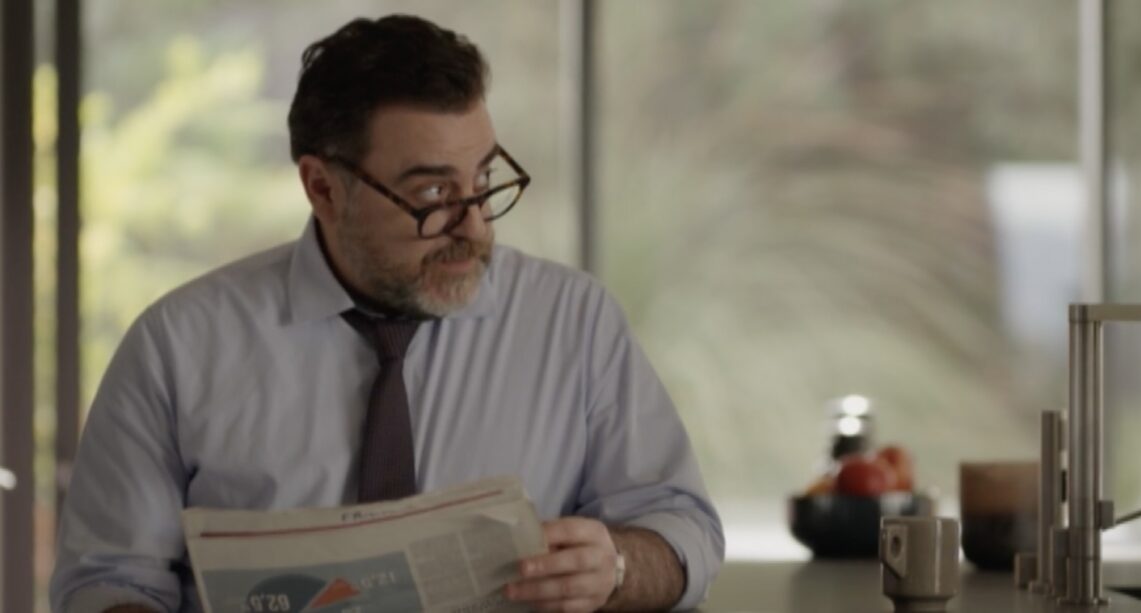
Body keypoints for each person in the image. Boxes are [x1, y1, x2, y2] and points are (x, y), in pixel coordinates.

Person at [50, 14, 723, 613]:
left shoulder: (574, 323)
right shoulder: (175, 347)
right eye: (432, 194)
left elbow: (683, 530)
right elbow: (106, 582)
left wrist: (617, 568)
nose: (474, 227)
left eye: (483, 182)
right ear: (323, 188)